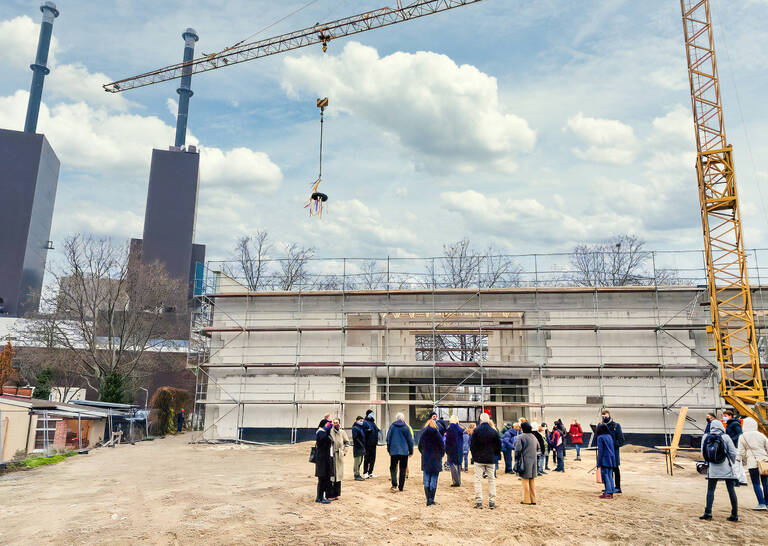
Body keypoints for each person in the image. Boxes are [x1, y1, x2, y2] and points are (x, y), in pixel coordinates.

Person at [700, 419, 739, 521]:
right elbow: (733, 452)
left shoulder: (706, 437)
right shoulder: (725, 437)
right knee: (731, 490)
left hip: (713, 468)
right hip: (726, 467)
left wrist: (709, 461)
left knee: (710, 490)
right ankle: (734, 514)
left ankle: (708, 512)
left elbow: (703, 452)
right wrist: (732, 462)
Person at [470, 413, 501, 509]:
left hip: (479, 459)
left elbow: (472, 446)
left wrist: (474, 456)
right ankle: (492, 501)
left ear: (480, 420)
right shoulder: (494, 431)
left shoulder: (476, 431)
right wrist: (495, 456)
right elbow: (498, 446)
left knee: (478, 480)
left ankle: (479, 501)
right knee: (491, 480)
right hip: (490, 459)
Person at [737, 417, 768, 510]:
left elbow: (741, 452)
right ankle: (767, 503)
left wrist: (742, 461)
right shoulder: (761, 435)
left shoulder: (742, 436)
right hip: (763, 461)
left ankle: (761, 503)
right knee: (765, 483)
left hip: (752, 462)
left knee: (756, 483)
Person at [418, 418, 445, 506]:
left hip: (426, 459)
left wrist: (423, 453)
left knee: (426, 479)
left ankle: (427, 499)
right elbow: (442, 447)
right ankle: (431, 499)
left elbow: (419, 446)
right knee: (434, 479)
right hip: (436, 459)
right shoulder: (438, 434)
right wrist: (440, 455)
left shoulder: (423, 434)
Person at [386, 412, 414, 492]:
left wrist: (389, 449)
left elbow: (388, 439)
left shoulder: (392, 427)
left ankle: (394, 485)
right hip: (404, 452)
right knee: (403, 469)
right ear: (403, 419)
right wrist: (411, 451)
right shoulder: (406, 427)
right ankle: (401, 487)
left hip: (394, 451)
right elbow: (410, 441)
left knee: (393, 468)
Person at [515, 421, 539, 505]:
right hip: (534, 460)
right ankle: (533, 499)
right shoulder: (534, 436)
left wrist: (516, 459)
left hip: (525, 460)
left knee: (525, 480)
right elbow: (538, 447)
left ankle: (526, 499)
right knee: (532, 480)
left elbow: (518, 449)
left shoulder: (521, 437)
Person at [602, 410, 625, 493]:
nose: (604, 418)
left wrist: (612, 444)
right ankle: (609, 487)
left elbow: (621, 440)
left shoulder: (616, 425)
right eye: (603, 417)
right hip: (605, 452)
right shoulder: (602, 426)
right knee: (607, 469)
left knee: (615, 468)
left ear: (609, 416)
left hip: (614, 452)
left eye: (606, 416)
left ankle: (618, 487)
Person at [314, 419, 334, 504]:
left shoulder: (323, 432)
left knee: (324, 478)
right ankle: (319, 498)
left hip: (325, 458)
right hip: (322, 459)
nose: (328, 426)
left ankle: (321, 497)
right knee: (322, 479)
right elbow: (324, 441)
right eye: (327, 424)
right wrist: (328, 430)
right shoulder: (320, 432)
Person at [328, 418, 349, 500]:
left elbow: (347, 443)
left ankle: (337, 494)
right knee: (331, 476)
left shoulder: (342, 432)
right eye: (334, 422)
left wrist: (344, 452)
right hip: (331, 456)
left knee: (338, 475)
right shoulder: (330, 432)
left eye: (337, 422)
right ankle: (330, 494)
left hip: (339, 456)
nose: (336, 424)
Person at [595, 423, 616, 499]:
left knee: (605, 475)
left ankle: (607, 492)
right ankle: (611, 492)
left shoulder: (600, 437)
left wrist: (598, 463)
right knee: (610, 475)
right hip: (611, 458)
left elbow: (600, 451)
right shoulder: (609, 436)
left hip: (604, 458)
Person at [445, 415, 464, 486]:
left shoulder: (450, 429)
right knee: (459, 465)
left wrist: (446, 449)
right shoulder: (460, 429)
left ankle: (456, 482)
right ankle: (459, 480)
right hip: (459, 449)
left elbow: (448, 441)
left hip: (452, 449)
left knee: (453, 466)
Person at [362, 409, 380, 479]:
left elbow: (375, 429)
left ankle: (370, 472)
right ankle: (365, 472)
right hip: (367, 444)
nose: (372, 415)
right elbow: (363, 431)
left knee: (373, 458)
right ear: (367, 414)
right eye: (371, 414)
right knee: (367, 458)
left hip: (374, 444)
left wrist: (377, 430)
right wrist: (368, 431)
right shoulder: (365, 422)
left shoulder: (373, 422)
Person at [351, 416, 366, 481]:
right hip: (357, 447)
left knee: (360, 461)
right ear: (357, 420)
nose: (362, 422)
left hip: (362, 446)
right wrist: (360, 444)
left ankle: (358, 473)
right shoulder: (355, 428)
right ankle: (356, 474)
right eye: (360, 421)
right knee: (357, 461)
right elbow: (355, 438)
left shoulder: (360, 428)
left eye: (362, 421)